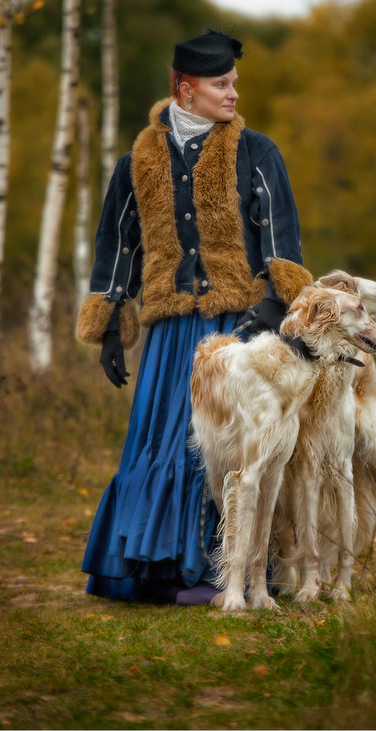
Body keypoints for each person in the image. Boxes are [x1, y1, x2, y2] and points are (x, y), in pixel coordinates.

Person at [76, 29, 312, 606]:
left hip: (240, 329)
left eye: (234, 82)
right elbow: (119, 246)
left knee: (233, 450)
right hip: (170, 333)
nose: (234, 93)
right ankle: (159, 568)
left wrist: (272, 309)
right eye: (221, 84)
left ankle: (228, 572)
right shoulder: (136, 163)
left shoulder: (258, 153)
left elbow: (281, 242)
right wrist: (109, 323)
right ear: (185, 90)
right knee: (167, 444)